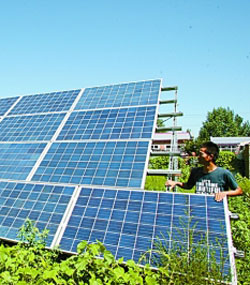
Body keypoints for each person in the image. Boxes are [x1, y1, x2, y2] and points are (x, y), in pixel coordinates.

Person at [165, 141, 243, 202]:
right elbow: (189, 186)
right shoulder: (195, 171)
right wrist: (176, 183)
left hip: (217, 211)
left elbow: (239, 191)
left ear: (210, 156)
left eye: (200, 154)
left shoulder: (224, 173)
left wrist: (224, 193)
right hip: (199, 209)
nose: (198, 157)